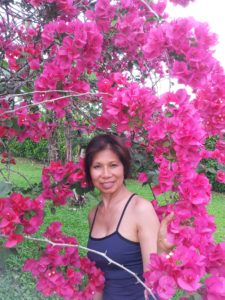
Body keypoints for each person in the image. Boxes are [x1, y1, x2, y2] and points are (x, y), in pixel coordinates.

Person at [85, 134, 174, 300]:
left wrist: (162, 252)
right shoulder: (93, 214)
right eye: (97, 166)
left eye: (113, 165)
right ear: (89, 171)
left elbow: (154, 281)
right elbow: (97, 280)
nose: (105, 174)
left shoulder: (140, 210)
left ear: (124, 168)